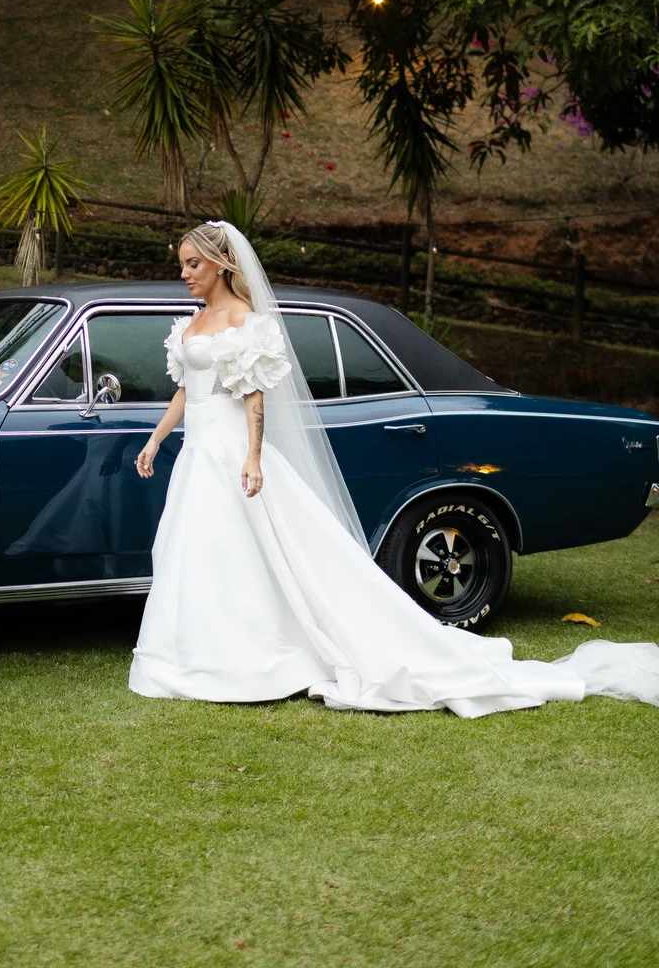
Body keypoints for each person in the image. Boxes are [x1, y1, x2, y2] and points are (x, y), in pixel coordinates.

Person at [129, 220, 659, 717]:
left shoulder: (246, 320)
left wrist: (252, 454)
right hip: (198, 454)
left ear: (221, 263)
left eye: (193, 264)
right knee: (199, 550)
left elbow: (254, 396)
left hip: (232, 453)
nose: (185, 274)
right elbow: (186, 391)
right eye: (182, 265)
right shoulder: (193, 322)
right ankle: (198, 655)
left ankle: (256, 658)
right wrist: (155, 439)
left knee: (248, 550)